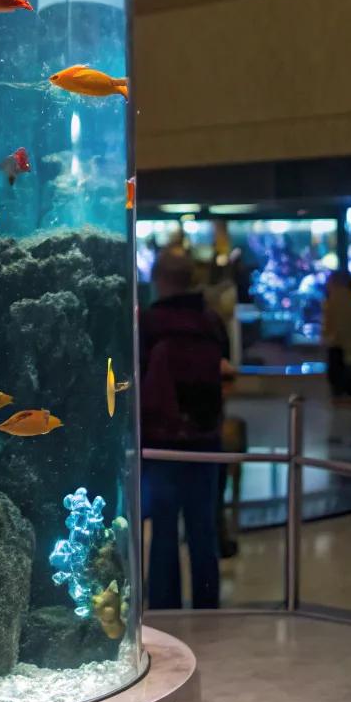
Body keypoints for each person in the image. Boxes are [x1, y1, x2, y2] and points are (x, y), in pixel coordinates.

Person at [140, 247, 228, 611]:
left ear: (159, 279)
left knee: (163, 532)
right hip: (206, 441)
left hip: (161, 443)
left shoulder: (148, 323)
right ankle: (208, 605)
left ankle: (166, 608)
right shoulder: (211, 321)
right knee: (202, 529)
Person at [322, 270, 351, 398]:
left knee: (340, 399)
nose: (326, 285)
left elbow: (328, 333)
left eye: (329, 282)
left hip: (339, 356)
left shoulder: (331, 304)